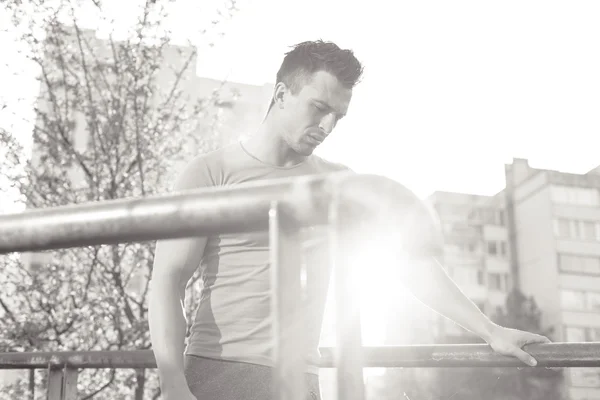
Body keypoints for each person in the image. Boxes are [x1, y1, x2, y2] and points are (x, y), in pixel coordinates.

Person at [148, 40, 550, 400]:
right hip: (218, 374)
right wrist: (173, 384)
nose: (326, 127)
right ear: (282, 95)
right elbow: (168, 281)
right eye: (319, 109)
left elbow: (409, 266)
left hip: (302, 379)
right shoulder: (210, 172)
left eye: (338, 117)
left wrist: (490, 331)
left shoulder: (337, 184)